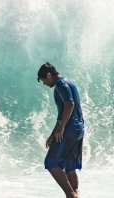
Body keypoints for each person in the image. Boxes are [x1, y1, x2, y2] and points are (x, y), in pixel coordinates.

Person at [37, 62, 85, 198]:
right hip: (78, 129)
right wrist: (53, 134)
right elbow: (61, 114)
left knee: (51, 162)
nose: (44, 83)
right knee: (69, 166)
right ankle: (75, 194)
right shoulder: (68, 82)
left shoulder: (60, 84)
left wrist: (62, 128)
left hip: (69, 129)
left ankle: (71, 195)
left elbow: (70, 104)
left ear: (48, 75)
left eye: (44, 80)